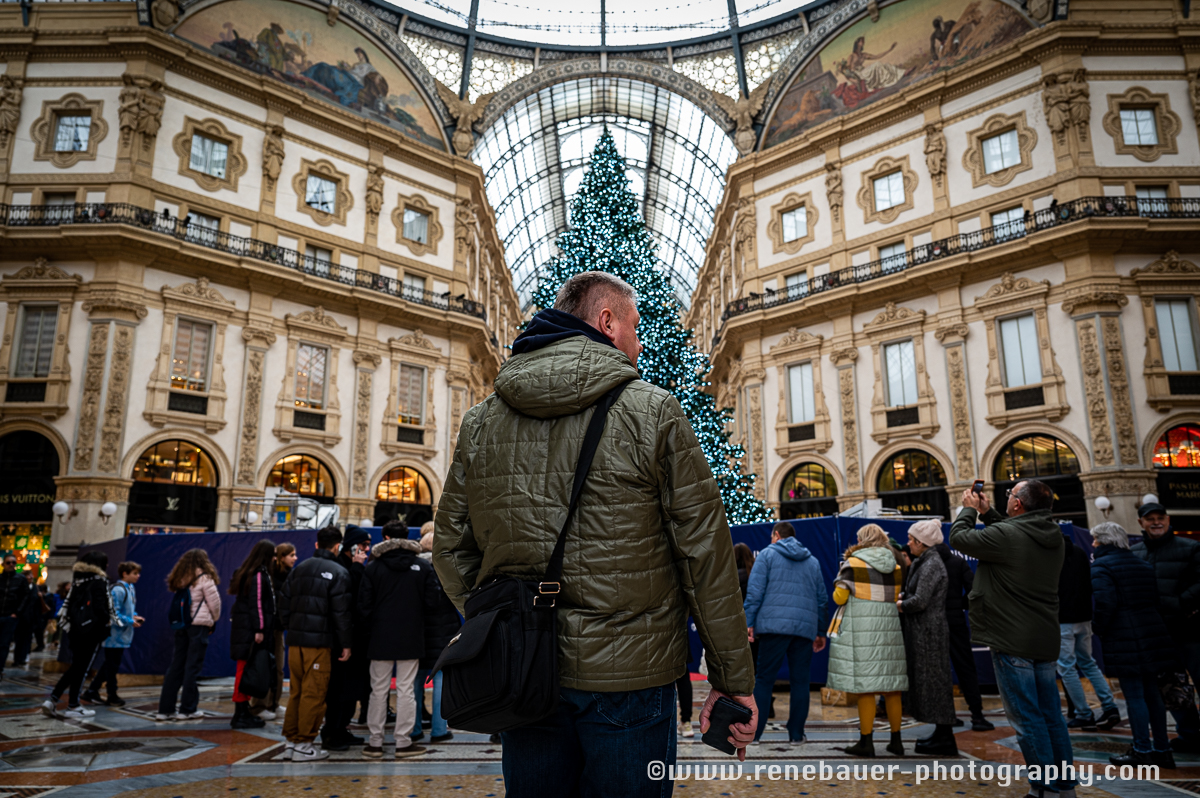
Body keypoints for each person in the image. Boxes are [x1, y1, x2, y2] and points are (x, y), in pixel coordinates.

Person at [434, 271, 756, 795]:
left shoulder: (481, 421)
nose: (640, 342)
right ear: (607, 322)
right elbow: (705, 556)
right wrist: (731, 680)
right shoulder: (653, 410)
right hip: (631, 675)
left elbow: (450, 547)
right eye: (635, 326)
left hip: (524, 673)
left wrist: (501, 623)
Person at [950, 480, 1075, 798]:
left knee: (1027, 718)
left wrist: (968, 509)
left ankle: (1043, 789)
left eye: (1010, 495)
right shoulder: (1052, 535)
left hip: (1012, 637)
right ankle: (1064, 786)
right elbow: (1013, 532)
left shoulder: (1008, 535)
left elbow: (959, 537)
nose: (1007, 498)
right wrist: (987, 512)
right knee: (1051, 716)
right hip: (1043, 636)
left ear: (1018, 504)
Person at [1090, 522, 1177, 769]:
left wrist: (1099, 628)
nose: (1093, 544)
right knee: (1153, 694)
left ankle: (1142, 750)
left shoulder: (1101, 566)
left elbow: (1105, 603)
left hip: (1124, 636)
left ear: (1104, 541)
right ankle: (1162, 750)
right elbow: (1155, 600)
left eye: (1095, 539)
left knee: (1135, 696)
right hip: (1152, 633)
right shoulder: (1143, 564)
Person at [826, 524, 908, 757]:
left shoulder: (853, 564)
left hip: (863, 631)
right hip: (890, 630)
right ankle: (896, 741)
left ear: (861, 540)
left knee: (866, 688)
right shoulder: (895, 565)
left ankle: (866, 742)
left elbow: (839, 597)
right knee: (892, 688)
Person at [358, 520, 437, 759]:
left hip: (380, 637)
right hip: (411, 636)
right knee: (406, 690)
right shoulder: (421, 566)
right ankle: (403, 742)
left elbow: (364, 606)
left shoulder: (373, 567)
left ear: (385, 537)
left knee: (378, 690)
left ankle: (375, 743)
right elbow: (432, 603)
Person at [744, 521, 827, 744]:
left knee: (764, 680)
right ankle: (796, 734)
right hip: (804, 629)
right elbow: (821, 599)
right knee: (801, 682)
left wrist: (748, 622)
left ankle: (755, 734)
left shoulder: (767, 555)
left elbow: (755, 592)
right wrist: (820, 631)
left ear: (777, 535)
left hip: (773, 627)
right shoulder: (812, 561)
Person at [279, 525, 352, 762]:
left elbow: (283, 604)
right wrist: (346, 643)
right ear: (337, 546)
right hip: (319, 644)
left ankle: (291, 742)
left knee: (296, 692)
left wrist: (291, 627)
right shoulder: (339, 572)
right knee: (314, 694)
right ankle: (304, 743)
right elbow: (341, 614)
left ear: (317, 544)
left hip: (295, 642)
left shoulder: (299, 569)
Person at [1131, 502, 1200, 752]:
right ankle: (1190, 736)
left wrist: (1179, 603)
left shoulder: (1190, 547)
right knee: (1172, 688)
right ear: (1141, 523)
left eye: (1160, 518)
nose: (1156, 522)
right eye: (1150, 519)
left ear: (1168, 520)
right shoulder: (1135, 552)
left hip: (1191, 629)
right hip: (1158, 634)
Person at [899, 520, 957, 756]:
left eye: (912, 540)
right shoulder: (925, 561)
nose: (909, 543)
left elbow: (920, 601)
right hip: (924, 631)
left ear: (922, 543)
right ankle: (941, 732)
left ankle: (945, 737)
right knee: (932, 682)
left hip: (929, 632)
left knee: (936, 682)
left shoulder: (931, 564)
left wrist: (900, 605)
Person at [1057, 532, 1119, 730]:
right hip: (1084, 616)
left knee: (1067, 668)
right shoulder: (1079, 552)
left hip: (1062, 619)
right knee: (1088, 663)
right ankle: (1110, 706)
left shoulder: (1048, 554)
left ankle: (1083, 714)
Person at [41, 551, 112, 718]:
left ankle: (54, 699)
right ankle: (71, 705)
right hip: (91, 631)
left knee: (76, 667)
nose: (107, 566)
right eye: (105, 562)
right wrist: (107, 622)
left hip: (75, 630)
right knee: (81, 669)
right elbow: (100, 608)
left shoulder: (78, 581)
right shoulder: (99, 581)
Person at [155, 549, 221, 722]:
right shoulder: (205, 578)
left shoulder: (180, 578)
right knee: (192, 667)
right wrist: (214, 619)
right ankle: (187, 710)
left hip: (182, 625)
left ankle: (165, 710)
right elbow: (215, 604)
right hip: (198, 626)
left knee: (176, 666)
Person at [934, 541, 993, 731]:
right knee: (966, 668)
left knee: (939, 670)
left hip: (932, 623)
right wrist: (960, 604)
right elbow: (974, 590)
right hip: (956, 620)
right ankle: (977, 715)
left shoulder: (926, 562)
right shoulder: (957, 561)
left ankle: (946, 715)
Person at [323, 524, 371, 751]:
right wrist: (358, 567)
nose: (366, 549)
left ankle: (341, 729)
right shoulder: (344, 568)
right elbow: (349, 602)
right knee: (339, 690)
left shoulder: (350, 566)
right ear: (351, 547)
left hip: (353, 640)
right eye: (363, 545)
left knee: (350, 690)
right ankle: (332, 733)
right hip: (343, 641)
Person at [413, 522, 460, 744]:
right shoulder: (445, 569)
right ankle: (439, 729)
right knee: (440, 680)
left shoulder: (414, 569)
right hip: (443, 630)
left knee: (415, 681)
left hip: (419, 632)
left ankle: (413, 728)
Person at [229, 540, 277, 731]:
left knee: (246, 670)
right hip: (250, 631)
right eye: (273, 554)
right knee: (245, 671)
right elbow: (256, 603)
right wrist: (260, 629)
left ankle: (243, 711)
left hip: (245, 629)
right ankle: (240, 713)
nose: (274, 558)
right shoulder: (257, 574)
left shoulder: (248, 572)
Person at [82, 561, 142, 707]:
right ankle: (112, 694)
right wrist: (130, 621)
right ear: (125, 574)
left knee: (110, 664)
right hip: (113, 634)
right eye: (134, 573)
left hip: (122, 634)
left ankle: (92, 690)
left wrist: (134, 616)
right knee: (112, 666)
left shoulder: (130, 588)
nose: (138, 576)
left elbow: (127, 609)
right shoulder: (118, 590)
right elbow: (113, 612)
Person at [251, 542, 296, 721]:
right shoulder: (266, 575)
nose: (295, 558)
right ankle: (259, 705)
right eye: (291, 555)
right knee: (264, 667)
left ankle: (273, 703)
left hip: (278, 628)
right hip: (267, 628)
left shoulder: (290, 576)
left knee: (278, 668)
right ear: (281, 557)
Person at [0, 554, 31, 677]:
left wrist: (17, 612)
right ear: (3, 564)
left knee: (4, 643)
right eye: (8, 562)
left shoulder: (20, 579)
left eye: (13, 562)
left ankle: (0, 668)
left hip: (10, 616)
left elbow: (25, 596)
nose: (11, 565)